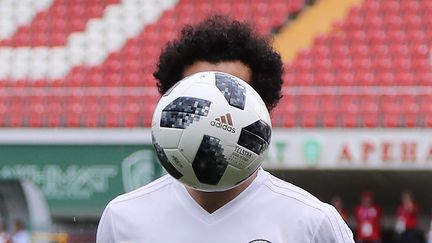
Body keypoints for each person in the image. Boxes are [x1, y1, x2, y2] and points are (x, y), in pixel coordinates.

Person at [97, 15, 354, 242]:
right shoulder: (123, 219)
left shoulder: (312, 223)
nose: (214, 116)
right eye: (199, 97)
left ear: (262, 109)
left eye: (233, 98)